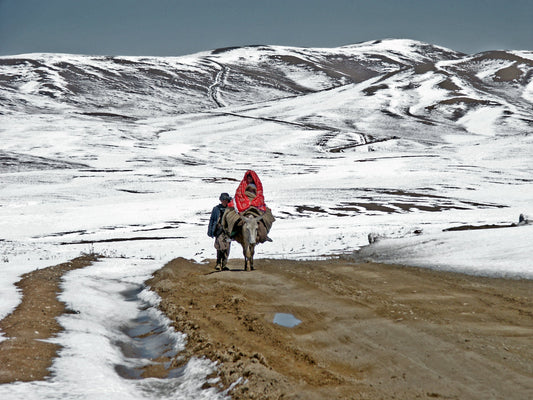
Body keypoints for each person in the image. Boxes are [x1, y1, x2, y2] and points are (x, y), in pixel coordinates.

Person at [226, 170, 274, 242]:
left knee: (268, 216)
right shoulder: (242, 186)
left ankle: (265, 234)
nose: (249, 179)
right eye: (248, 178)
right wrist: (243, 203)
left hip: (256, 205)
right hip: (243, 204)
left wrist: (255, 202)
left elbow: (259, 196)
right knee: (230, 216)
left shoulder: (258, 187)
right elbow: (239, 195)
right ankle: (232, 234)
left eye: (250, 178)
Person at [208, 192, 232, 271]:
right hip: (219, 231)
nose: (224, 201)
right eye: (223, 200)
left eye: (226, 200)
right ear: (221, 200)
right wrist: (210, 231)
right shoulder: (216, 209)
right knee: (220, 247)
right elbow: (212, 219)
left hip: (228, 231)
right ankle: (218, 263)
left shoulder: (231, 209)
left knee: (227, 247)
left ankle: (224, 264)